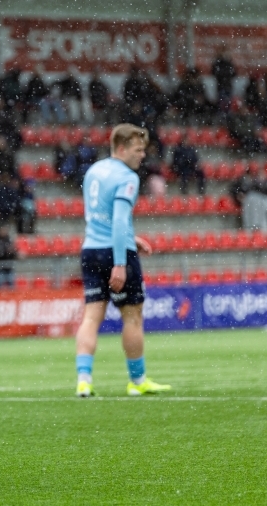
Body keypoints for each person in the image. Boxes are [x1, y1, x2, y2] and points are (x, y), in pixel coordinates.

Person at [75, 123, 171, 398]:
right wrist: (119, 260)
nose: (142, 156)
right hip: (115, 252)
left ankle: (84, 380)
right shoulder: (127, 177)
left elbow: (99, 215)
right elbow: (117, 219)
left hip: (91, 247)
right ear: (121, 148)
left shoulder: (94, 170)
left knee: (92, 316)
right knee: (133, 316)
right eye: (138, 150)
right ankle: (137, 380)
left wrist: (132, 238)